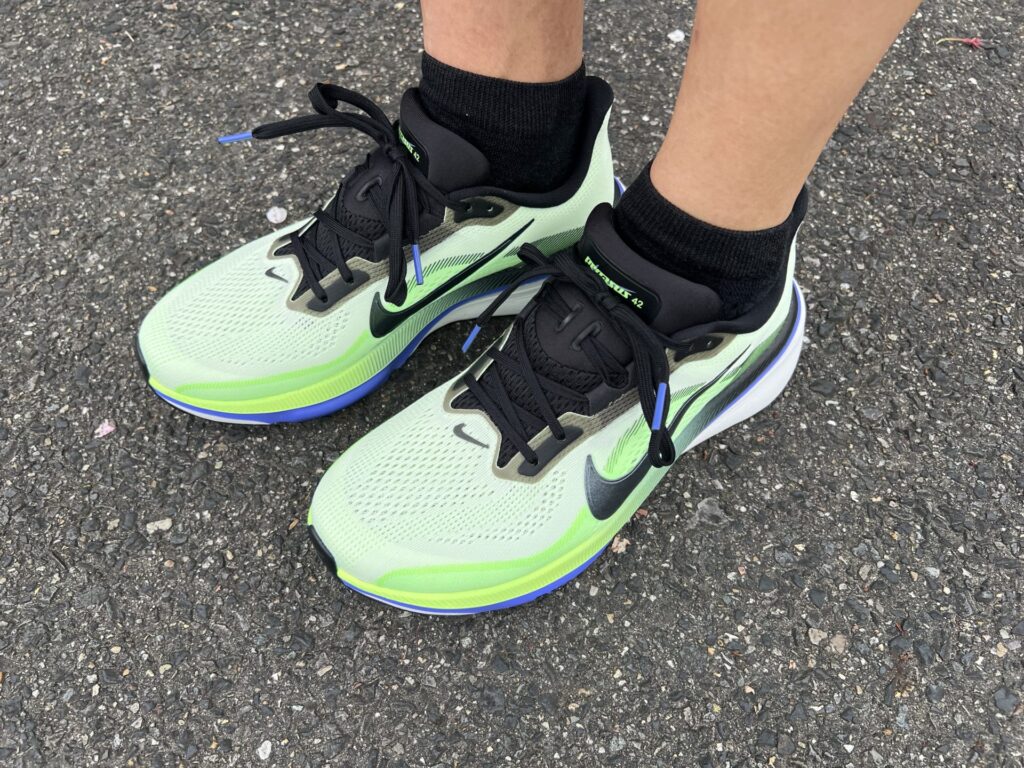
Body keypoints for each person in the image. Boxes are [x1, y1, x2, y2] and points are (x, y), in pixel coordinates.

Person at [136, 0, 921, 614]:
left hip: (708, 304)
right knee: (484, 110)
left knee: (698, 242)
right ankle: (502, 150)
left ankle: (708, 277)